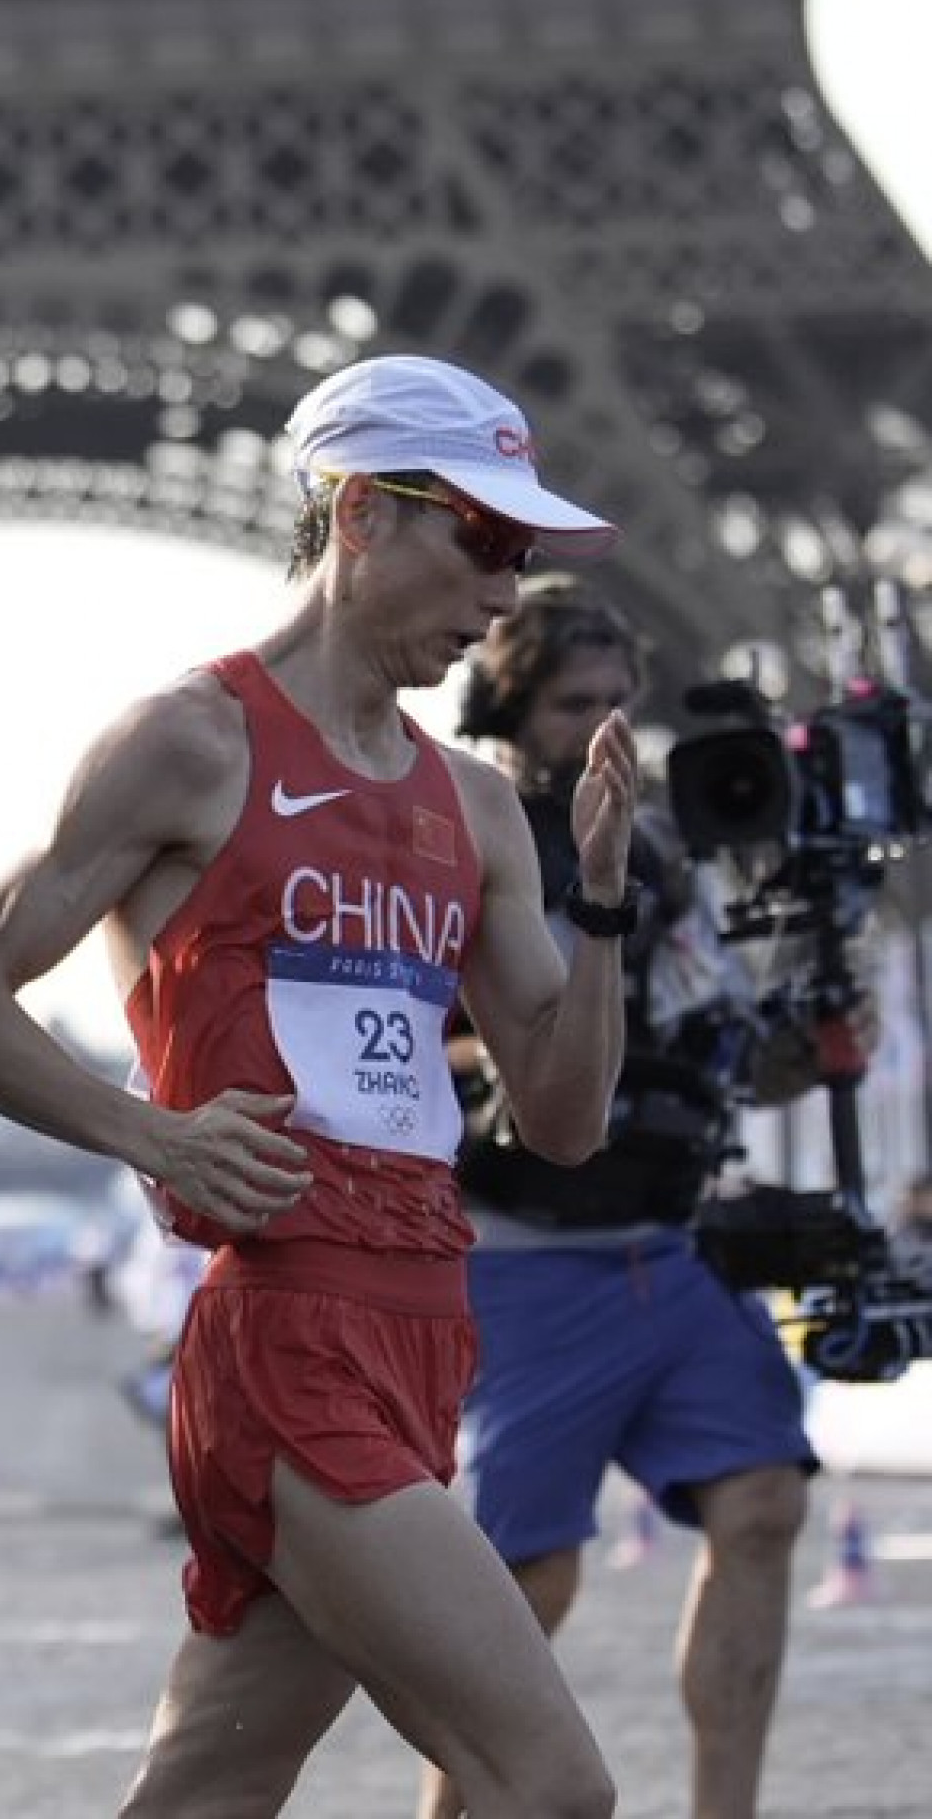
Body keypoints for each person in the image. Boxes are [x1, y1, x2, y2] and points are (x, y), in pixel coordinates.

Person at [0, 350, 639, 1818]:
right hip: (283, 1330)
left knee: (205, 1789)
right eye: (483, 541)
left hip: (428, 1322)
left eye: (523, 555)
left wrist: (606, 906)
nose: (505, 597)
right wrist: (150, 1130)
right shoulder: (193, 739)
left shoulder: (478, 805)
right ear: (360, 510)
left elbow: (563, 1122)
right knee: (553, 1784)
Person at [416, 580, 824, 1819]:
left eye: (617, 706)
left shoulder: (656, 858)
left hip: (670, 1244)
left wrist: (816, 1032)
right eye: (572, 705)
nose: (600, 728)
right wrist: (536, 1049)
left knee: (764, 1501)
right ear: (507, 704)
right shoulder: (460, 835)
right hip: (526, 1258)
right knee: (526, 1586)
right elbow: (388, 1036)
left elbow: (731, 1051)